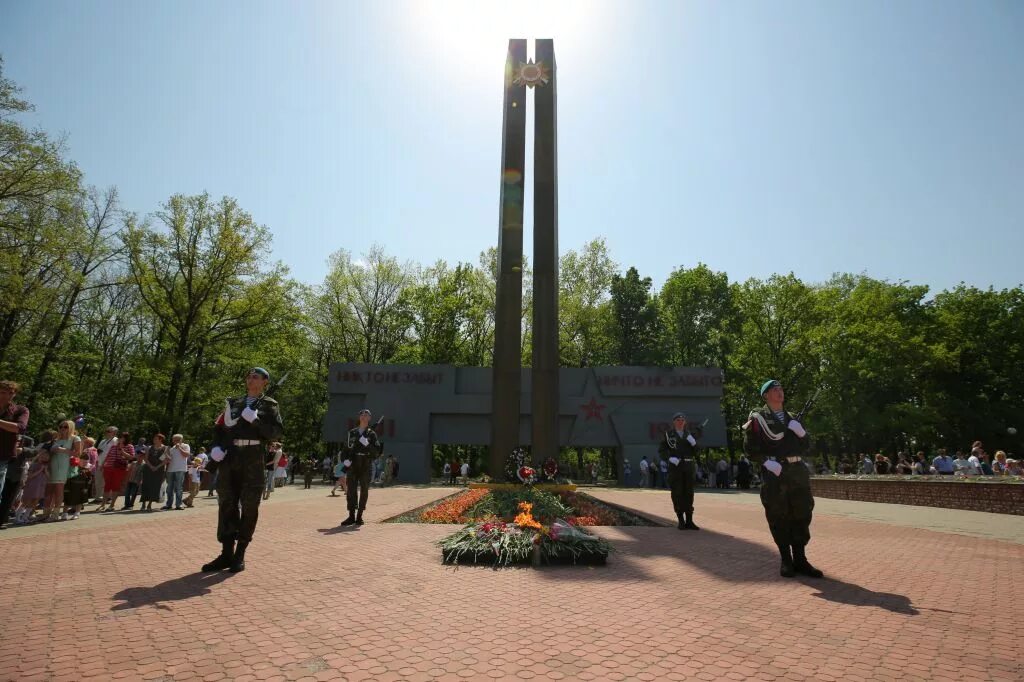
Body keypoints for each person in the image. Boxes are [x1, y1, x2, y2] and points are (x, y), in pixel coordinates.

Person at [202, 367, 284, 573]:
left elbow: (275, 433)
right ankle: (226, 552)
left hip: (253, 458)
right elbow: (219, 430)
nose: (250, 379)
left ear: (265, 381)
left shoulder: (270, 405)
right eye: (248, 376)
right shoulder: (234, 404)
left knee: (249, 506)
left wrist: (255, 420)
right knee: (227, 504)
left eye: (255, 377)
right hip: (230, 457)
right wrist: (216, 449)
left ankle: (240, 553)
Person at [742, 379, 823, 579]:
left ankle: (801, 559)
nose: (780, 392)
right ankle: (786, 559)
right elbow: (750, 449)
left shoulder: (793, 418)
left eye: (781, 389)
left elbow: (808, 447)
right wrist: (766, 463)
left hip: (797, 471)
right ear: (765, 396)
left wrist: (802, 433)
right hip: (775, 472)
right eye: (774, 390)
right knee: (779, 515)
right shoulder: (758, 419)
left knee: (802, 513)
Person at [659, 412, 700, 530]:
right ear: (674, 422)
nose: (680, 422)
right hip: (676, 467)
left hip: (688, 466)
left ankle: (690, 521)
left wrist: (694, 443)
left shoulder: (689, 435)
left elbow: (697, 451)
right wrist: (669, 458)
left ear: (685, 422)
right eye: (678, 420)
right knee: (677, 493)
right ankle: (681, 520)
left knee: (689, 493)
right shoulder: (668, 434)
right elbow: (662, 450)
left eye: (682, 420)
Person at [339, 408, 380, 526]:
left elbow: (376, 452)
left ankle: (359, 516)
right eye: (361, 414)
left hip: (365, 464)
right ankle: (351, 516)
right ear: (359, 417)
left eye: (366, 414)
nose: (363, 415)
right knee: (351, 490)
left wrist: (367, 444)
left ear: (369, 418)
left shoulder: (372, 434)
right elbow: (345, 450)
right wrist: (345, 463)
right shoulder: (351, 433)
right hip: (353, 463)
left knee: (364, 490)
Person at [0, 380, 29, 510]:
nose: (7, 396)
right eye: (3, 392)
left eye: (11, 393)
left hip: (2, 456)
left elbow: (20, 428)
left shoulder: (20, 410)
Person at [46, 420, 81, 521]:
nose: (62, 428)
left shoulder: (74, 438)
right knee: (49, 491)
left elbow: (78, 454)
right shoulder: (56, 439)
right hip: (52, 465)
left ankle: (56, 514)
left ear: (70, 427)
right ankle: (46, 513)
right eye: (61, 426)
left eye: (65, 427)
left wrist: (63, 450)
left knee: (58, 489)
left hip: (64, 466)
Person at [101, 433, 134, 511]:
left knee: (115, 486)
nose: (119, 438)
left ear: (126, 438)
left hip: (119, 469)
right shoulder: (113, 446)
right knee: (107, 486)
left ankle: (112, 505)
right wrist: (103, 465)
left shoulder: (129, 446)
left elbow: (132, 457)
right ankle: (103, 505)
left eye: (121, 437)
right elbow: (108, 456)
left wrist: (122, 451)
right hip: (108, 468)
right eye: (119, 437)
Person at [162, 434, 190, 510]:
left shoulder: (185, 446)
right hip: (170, 470)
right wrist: (166, 453)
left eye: (178, 440)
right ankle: (169, 504)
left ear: (181, 440)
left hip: (180, 469)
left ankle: (179, 504)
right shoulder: (171, 449)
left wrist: (180, 448)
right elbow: (168, 459)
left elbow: (186, 455)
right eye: (174, 440)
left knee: (178, 487)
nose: (176, 441)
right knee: (169, 488)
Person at [93, 426, 118, 503]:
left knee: (106, 481)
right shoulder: (102, 441)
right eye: (106, 431)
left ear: (114, 433)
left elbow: (114, 452)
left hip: (109, 464)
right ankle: (98, 497)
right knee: (98, 481)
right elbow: (99, 451)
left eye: (108, 431)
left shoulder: (115, 440)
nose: (106, 433)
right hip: (99, 463)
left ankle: (108, 498)